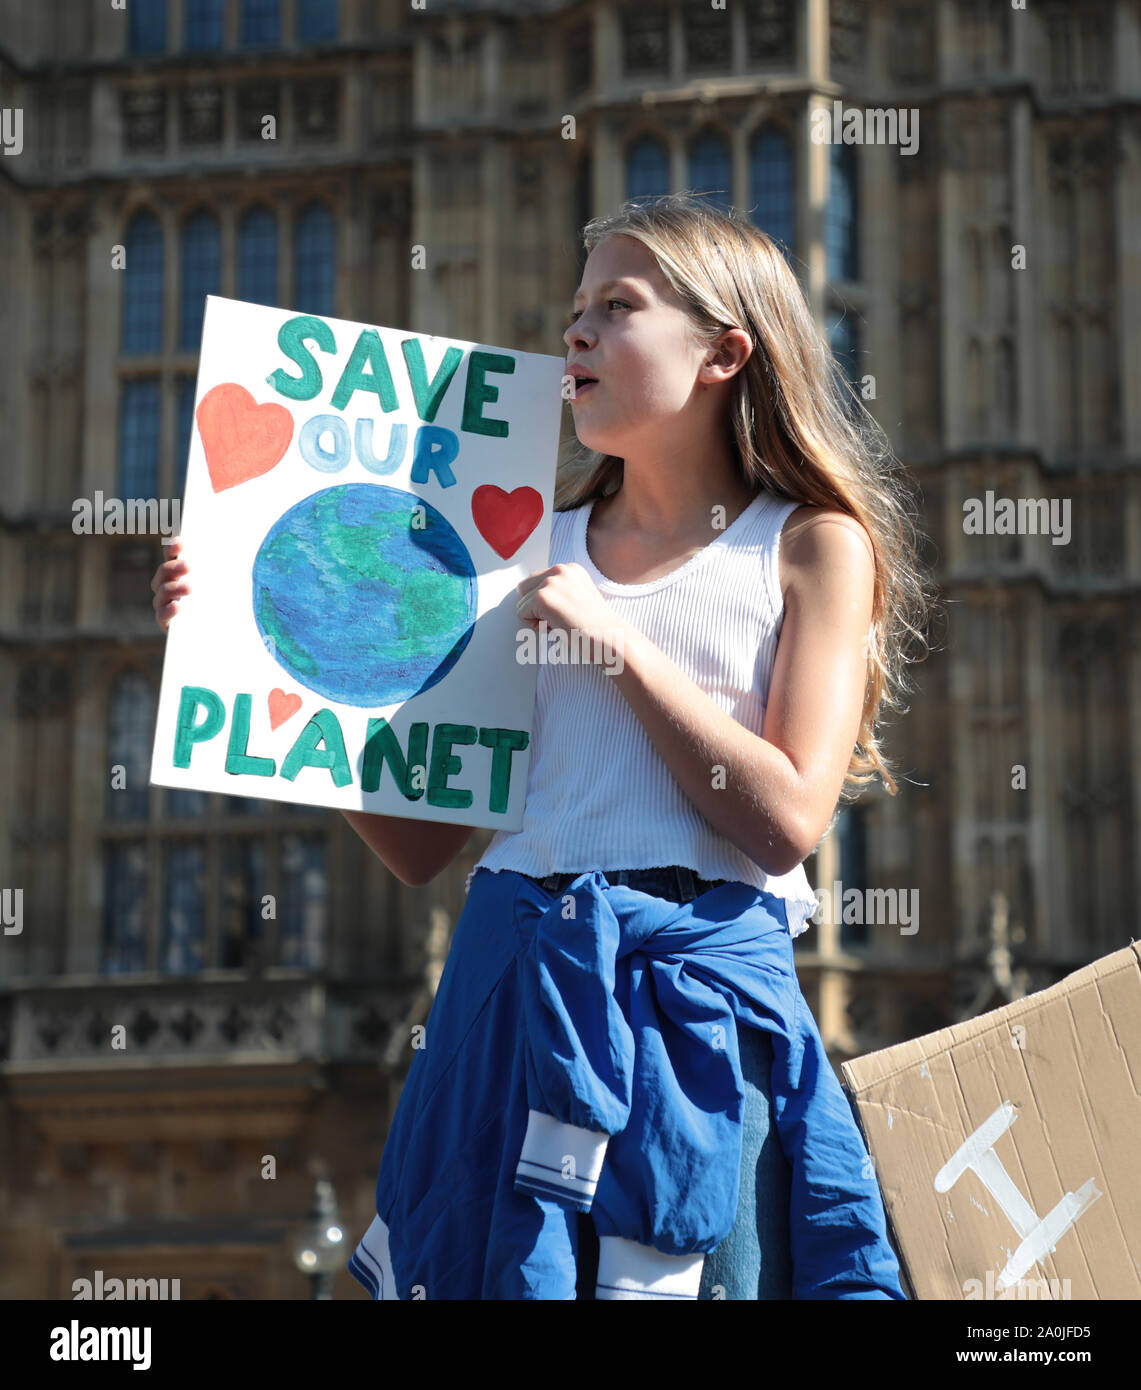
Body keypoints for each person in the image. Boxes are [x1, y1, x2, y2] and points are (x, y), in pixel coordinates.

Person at [152, 192, 934, 1300]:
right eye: (574, 308)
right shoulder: (517, 551)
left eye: (615, 306)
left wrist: (620, 645)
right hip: (509, 993)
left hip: (692, 1014)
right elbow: (425, 843)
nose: (572, 334)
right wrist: (257, 657)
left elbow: (785, 815)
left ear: (723, 353)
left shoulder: (809, 545)